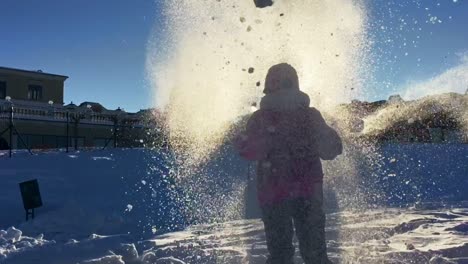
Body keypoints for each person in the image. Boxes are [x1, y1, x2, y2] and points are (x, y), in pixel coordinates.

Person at [236, 63, 342, 264]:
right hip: (309, 192)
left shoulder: (260, 118)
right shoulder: (310, 115)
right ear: (295, 84)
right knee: (315, 254)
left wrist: (245, 142)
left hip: (273, 194)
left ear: (268, 86)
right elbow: (332, 149)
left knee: (280, 255)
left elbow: (248, 151)